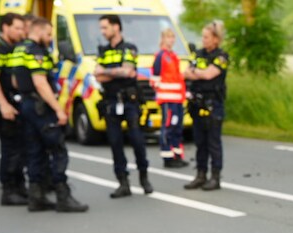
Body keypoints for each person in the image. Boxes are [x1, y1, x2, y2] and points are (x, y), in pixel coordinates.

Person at [12, 17, 87, 213]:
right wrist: (58, 110)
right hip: (41, 106)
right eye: (48, 34)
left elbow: (14, 81)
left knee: (35, 150)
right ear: (39, 31)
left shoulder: (19, 50)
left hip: (27, 104)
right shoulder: (36, 51)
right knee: (58, 149)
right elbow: (40, 82)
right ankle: (63, 196)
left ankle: (36, 197)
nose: (50, 38)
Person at [95, 14, 151, 198]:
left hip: (129, 101)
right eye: (101, 28)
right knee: (115, 142)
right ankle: (123, 182)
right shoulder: (102, 50)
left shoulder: (129, 48)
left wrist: (107, 71)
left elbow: (128, 71)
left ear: (116, 27)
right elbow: (98, 75)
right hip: (110, 101)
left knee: (136, 140)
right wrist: (115, 72)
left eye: (105, 27)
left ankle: (144, 177)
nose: (102, 31)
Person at [0, 13, 28, 206]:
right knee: (10, 149)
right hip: (7, 105)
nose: (21, 32)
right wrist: (3, 104)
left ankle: (19, 186)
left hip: (18, 105)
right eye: (17, 28)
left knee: (21, 149)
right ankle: (9, 190)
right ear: (5, 27)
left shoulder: (16, 47)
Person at [182, 21, 228, 191]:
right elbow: (186, 72)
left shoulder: (222, 56)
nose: (203, 40)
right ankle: (201, 175)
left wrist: (197, 73)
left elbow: (209, 75)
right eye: (203, 36)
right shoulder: (198, 54)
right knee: (200, 142)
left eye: (206, 37)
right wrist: (197, 73)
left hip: (213, 104)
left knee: (213, 142)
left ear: (216, 39)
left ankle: (215, 177)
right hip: (196, 103)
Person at [152, 28, 186, 168]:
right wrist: (161, 91)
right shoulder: (161, 56)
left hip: (177, 98)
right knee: (168, 127)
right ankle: (167, 156)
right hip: (167, 98)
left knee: (177, 127)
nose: (171, 40)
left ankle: (177, 154)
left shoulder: (174, 56)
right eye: (168, 37)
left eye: (173, 37)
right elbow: (155, 78)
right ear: (163, 39)